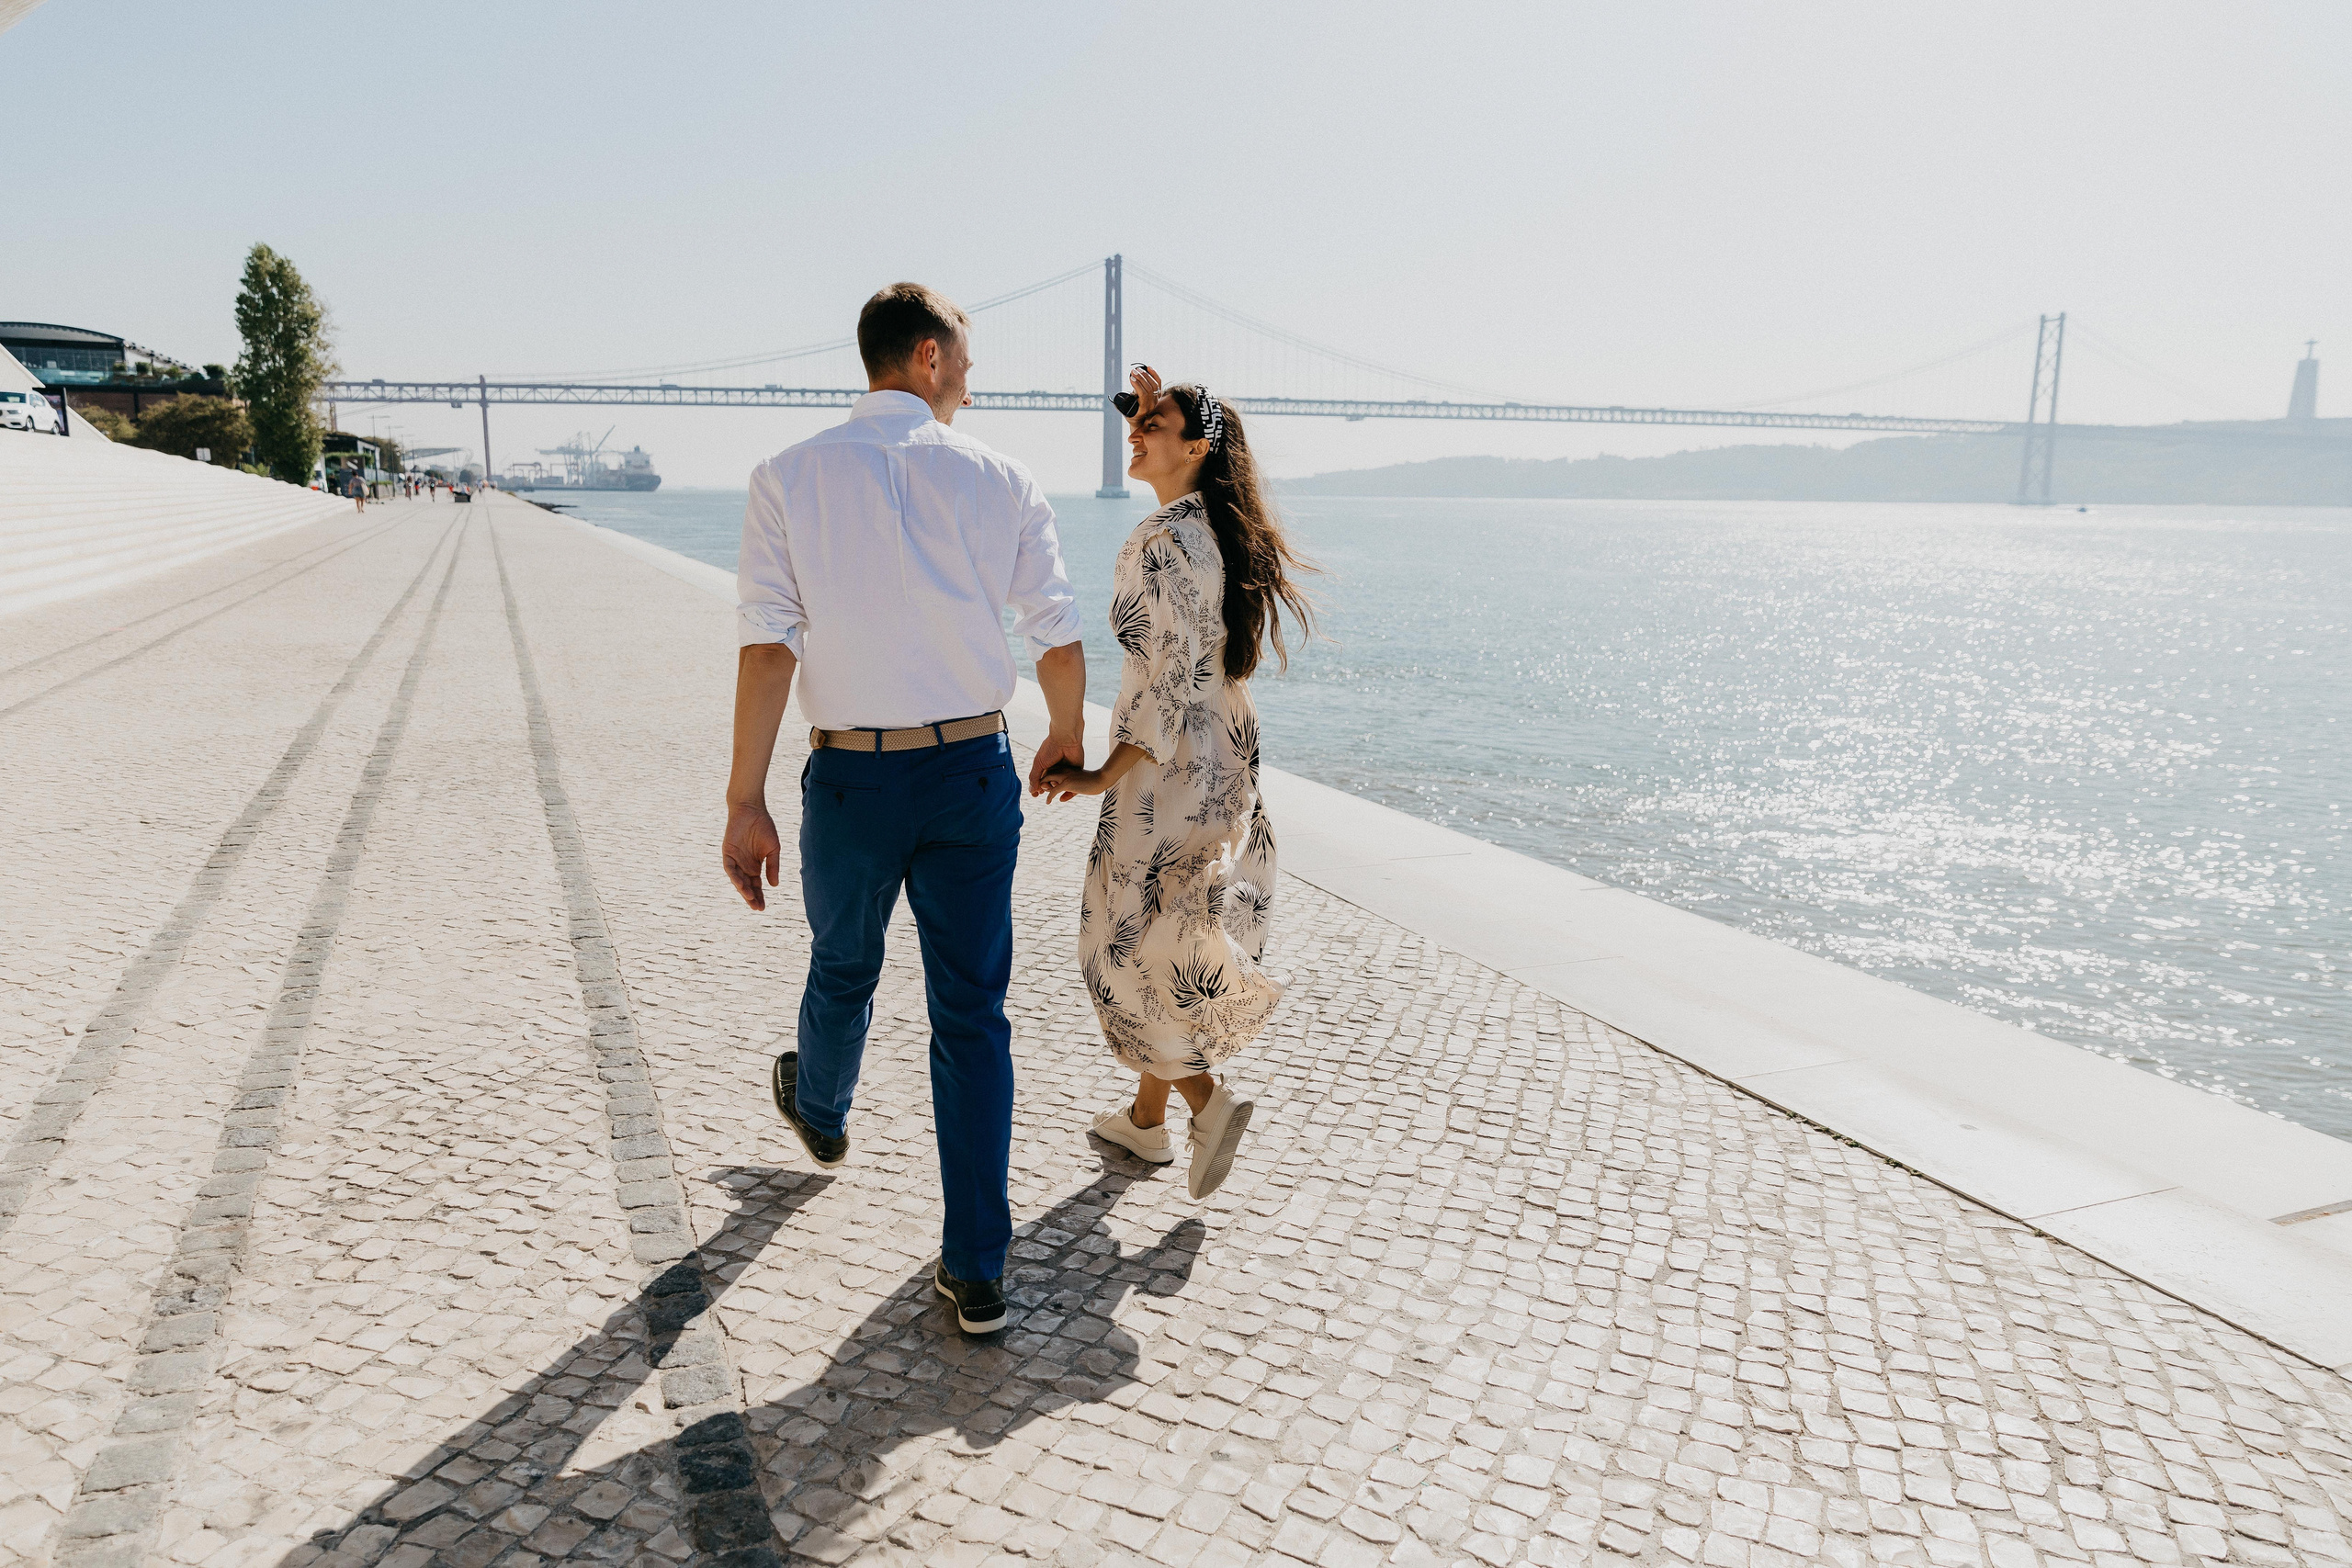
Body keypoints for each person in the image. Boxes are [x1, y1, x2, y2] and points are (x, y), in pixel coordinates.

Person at [725, 282, 1088, 1336]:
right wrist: (1064, 737)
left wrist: (745, 798)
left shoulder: (785, 477)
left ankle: (822, 1108)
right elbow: (1056, 636)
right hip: (974, 769)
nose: (970, 382)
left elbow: (765, 646)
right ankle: (977, 1269)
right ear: (927, 357)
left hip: (851, 780)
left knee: (844, 964)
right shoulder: (1005, 478)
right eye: (964, 361)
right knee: (970, 1016)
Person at [1039, 365, 1317, 1201]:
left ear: (1195, 446)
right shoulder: (1209, 533)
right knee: (1167, 930)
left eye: (1153, 423)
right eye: (1137, 418)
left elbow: (1161, 684)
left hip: (1163, 775)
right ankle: (1146, 1120)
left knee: (1116, 943)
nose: (1135, 429)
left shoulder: (1161, 541)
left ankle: (1206, 1101)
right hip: (1219, 762)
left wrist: (1097, 774)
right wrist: (1151, 399)